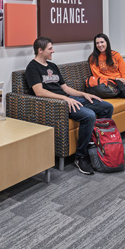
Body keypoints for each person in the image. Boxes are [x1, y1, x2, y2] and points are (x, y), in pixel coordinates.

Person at [25, 36, 113, 175]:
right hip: (56, 104)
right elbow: (39, 92)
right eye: (50, 48)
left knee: (106, 107)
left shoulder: (52, 66)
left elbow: (66, 88)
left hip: (67, 98)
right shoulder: (32, 67)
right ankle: (80, 156)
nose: (53, 51)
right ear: (40, 50)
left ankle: (94, 144)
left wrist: (83, 94)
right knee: (89, 116)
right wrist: (65, 100)